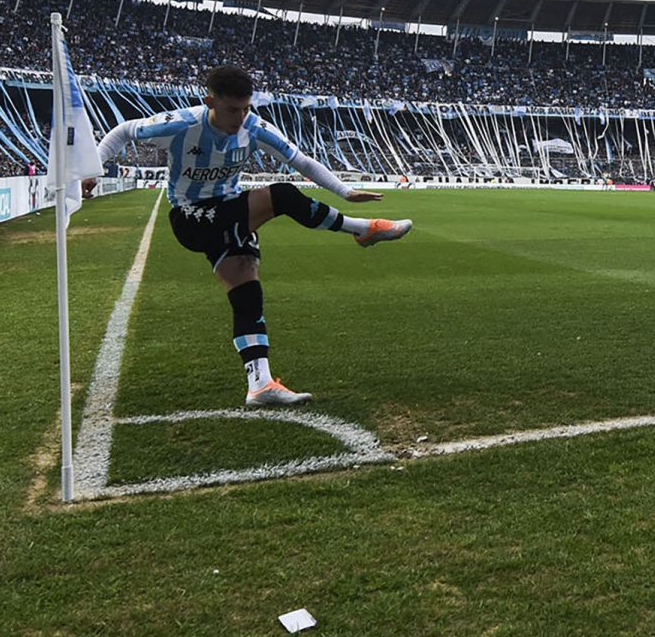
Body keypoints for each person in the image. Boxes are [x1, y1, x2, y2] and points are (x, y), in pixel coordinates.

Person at [85, 64, 413, 407]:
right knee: (283, 195)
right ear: (210, 100)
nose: (240, 117)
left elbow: (300, 160)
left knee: (247, 295)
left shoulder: (254, 127)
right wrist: (92, 169)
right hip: (191, 217)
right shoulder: (182, 124)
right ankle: (363, 229)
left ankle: (259, 384)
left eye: (246, 108)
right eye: (231, 109)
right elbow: (122, 132)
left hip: (229, 214)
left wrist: (345, 191)